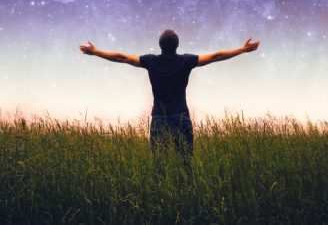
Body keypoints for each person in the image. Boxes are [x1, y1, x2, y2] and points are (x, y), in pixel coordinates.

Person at [78, 29, 260, 176]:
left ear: (160, 45)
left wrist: (96, 52)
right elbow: (215, 56)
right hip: (180, 117)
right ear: (177, 45)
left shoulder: (151, 61)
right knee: (186, 164)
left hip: (159, 118)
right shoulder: (185, 61)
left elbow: (122, 57)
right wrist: (242, 50)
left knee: (159, 166)